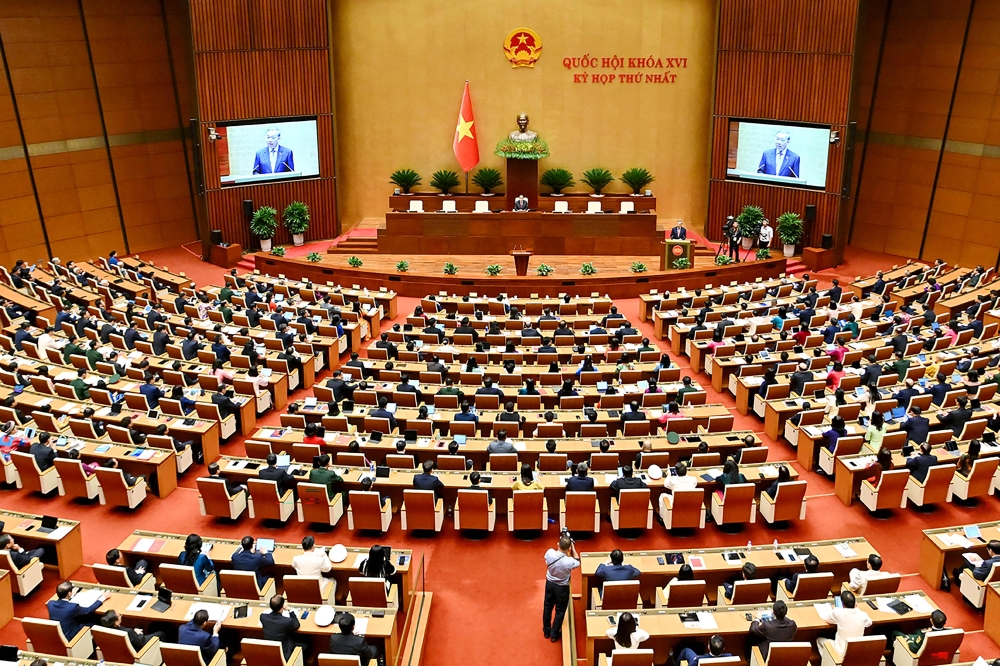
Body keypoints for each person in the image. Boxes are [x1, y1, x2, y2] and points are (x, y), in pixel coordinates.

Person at [542, 534, 580, 642]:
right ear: (569, 548)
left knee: (547, 607)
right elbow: (577, 561)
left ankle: (546, 631)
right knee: (560, 611)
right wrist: (573, 549)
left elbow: (546, 559)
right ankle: (554, 634)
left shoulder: (549, 553)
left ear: (558, 544)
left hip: (549, 584)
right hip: (562, 588)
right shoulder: (569, 561)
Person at [816, 591, 872, 656]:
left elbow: (828, 620)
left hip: (840, 653)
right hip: (856, 652)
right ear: (855, 603)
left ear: (842, 604)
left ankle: (828, 660)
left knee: (819, 640)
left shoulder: (838, 612)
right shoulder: (863, 615)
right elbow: (869, 623)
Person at [260, 595, 302, 660]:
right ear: (282, 606)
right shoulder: (287, 621)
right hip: (285, 652)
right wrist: (290, 610)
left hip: (270, 649)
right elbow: (296, 625)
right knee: (306, 644)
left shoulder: (263, 617)